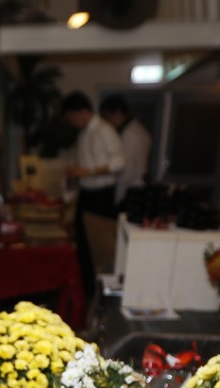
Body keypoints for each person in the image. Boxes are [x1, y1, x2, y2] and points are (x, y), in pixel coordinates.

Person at [62, 91, 124, 300]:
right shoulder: (84, 132)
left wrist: (90, 172)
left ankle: (96, 292)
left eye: (71, 117)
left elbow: (119, 162)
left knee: (97, 247)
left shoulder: (104, 130)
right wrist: (77, 172)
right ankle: (85, 290)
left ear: (82, 111)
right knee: (83, 243)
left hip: (101, 195)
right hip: (87, 193)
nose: (71, 122)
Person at [99, 94, 151, 210]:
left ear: (117, 113)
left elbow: (126, 172)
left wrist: (118, 199)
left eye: (107, 117)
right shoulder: (140, 129)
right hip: (139, 187)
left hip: (132, 190)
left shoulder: (129, 135)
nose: (107, 122)